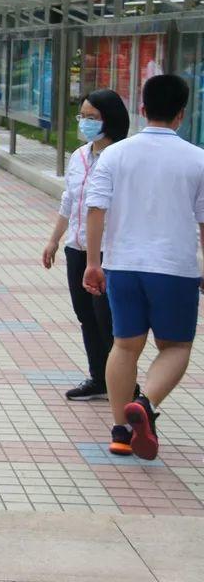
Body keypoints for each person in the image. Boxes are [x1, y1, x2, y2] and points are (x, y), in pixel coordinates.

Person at [83, 75, 204, 461]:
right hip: (175, 267)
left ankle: (120, 432)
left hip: (123, 265)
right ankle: (146, 404)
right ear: (182, 114)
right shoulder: (197, 159)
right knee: (176, 347)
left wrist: (92, 263)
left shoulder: (114, 155)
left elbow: (96, 208)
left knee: (124, 345)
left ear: (141, 108)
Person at [42, 90, 129, 401]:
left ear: (110, 119)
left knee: (107, 319)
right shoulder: (78, 156)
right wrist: (54, 239)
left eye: (93, 118)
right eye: (82, 116)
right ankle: (99, 378)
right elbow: (69, 200)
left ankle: (125, 385)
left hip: (109, 251)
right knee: (86, 316)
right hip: (76, 248)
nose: (85, 123)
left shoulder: (122, 158)